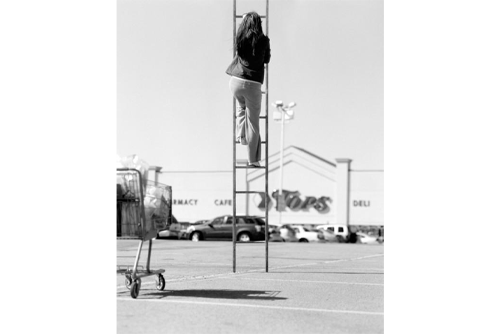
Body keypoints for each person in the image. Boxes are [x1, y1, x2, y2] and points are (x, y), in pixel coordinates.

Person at [226, 11, 271, 167]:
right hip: (252, 84)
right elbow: (267, 59)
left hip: (235, 81)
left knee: (241, 107)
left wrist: (244, 20)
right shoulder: (263, 40)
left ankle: (241, 136)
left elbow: (242, 31)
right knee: (253, 123)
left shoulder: (241, 38)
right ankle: (253, 160)